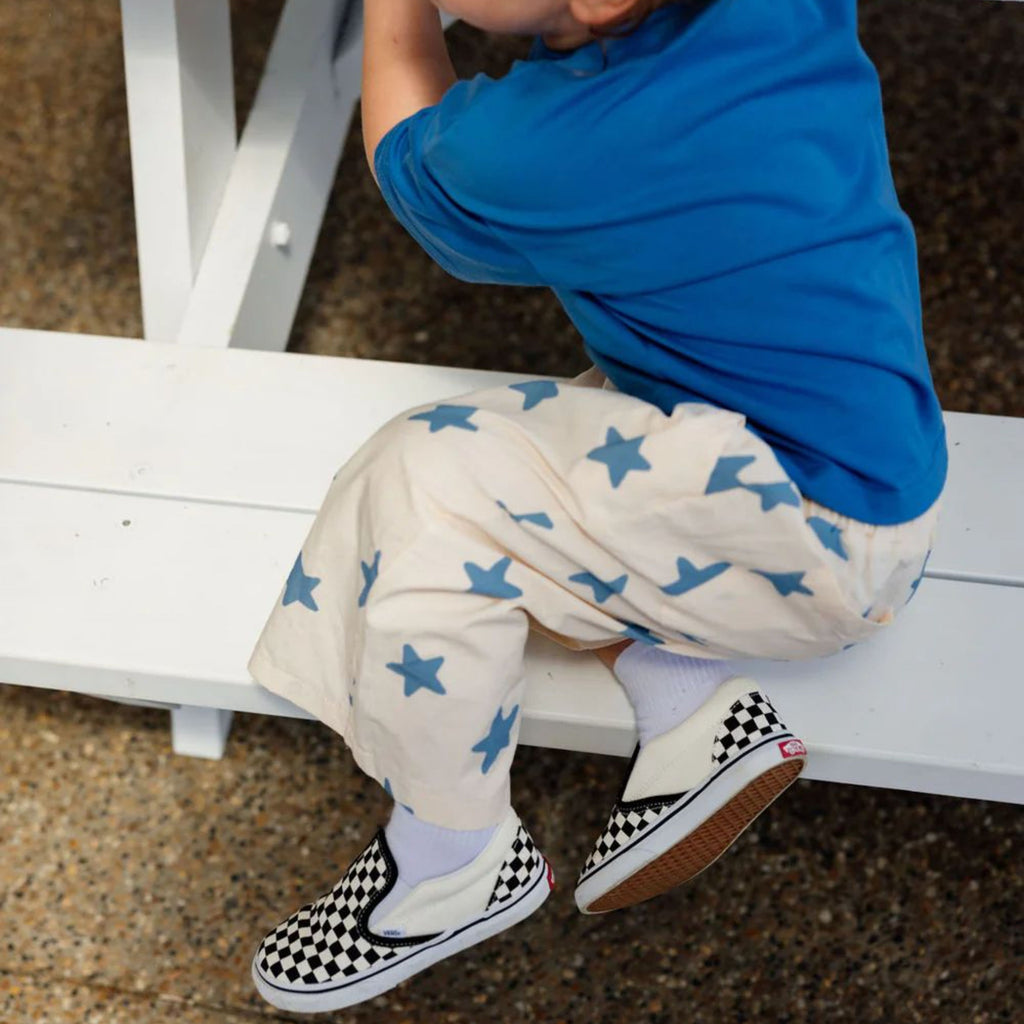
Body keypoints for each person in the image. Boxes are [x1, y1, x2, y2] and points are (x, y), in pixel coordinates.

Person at [248, 0, 946, 1012]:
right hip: (858, 462)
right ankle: (686, 701)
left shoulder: (533, 149)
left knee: (421, 482)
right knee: (548, 476)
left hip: (802, 531)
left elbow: (407, 155)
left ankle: (451, 856)